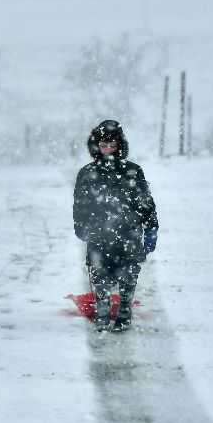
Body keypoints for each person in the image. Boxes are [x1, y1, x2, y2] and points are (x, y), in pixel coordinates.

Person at [72, 119, 159, 332]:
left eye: (112, 145)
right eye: (103, 145)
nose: (108, 150)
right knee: (100, 278)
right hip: (98, 235)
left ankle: (124, 314)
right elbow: (80, 205)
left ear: (120, 145)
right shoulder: (87, 173)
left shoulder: (133, 171)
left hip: (128, 234)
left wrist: (151, 229)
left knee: (128, 276)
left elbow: (145, 203)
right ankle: (102, 313)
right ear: (96, 146)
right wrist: (81, 227)